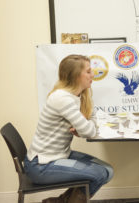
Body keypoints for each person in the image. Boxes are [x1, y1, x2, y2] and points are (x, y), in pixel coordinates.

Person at [24, 55, 113, 203]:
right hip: (42, 165)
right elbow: (90, 131)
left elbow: (91, 124)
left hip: (60, 155)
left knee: (107, 170)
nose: (93, 74)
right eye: (89, 71)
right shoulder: (62, 99)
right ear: (77, 76)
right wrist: (87, 125)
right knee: (99, 174)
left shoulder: (78, 95)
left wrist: (87, 124)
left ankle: (61, 201)